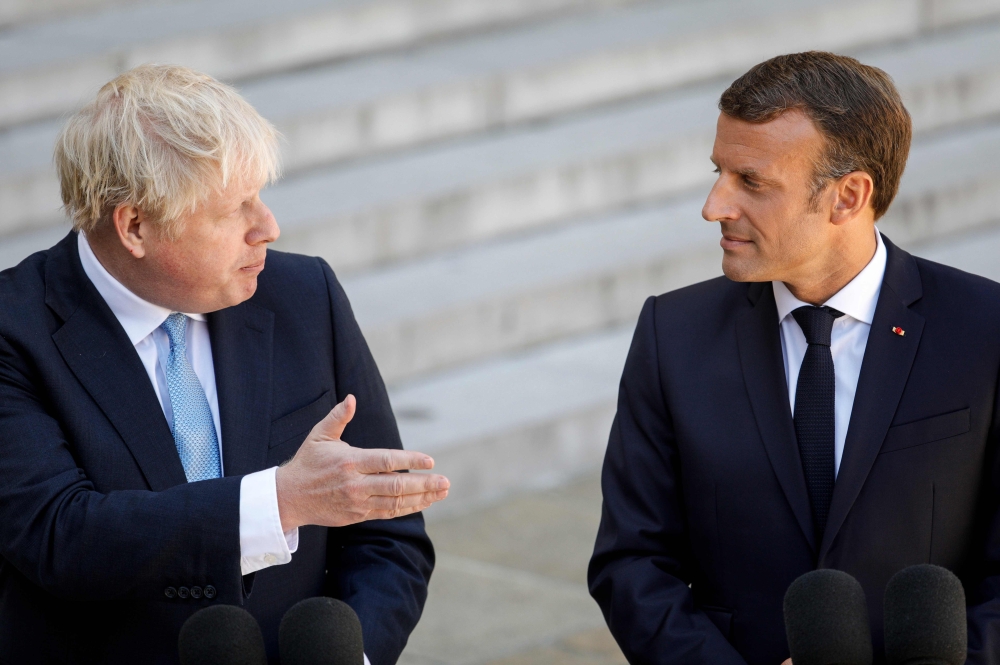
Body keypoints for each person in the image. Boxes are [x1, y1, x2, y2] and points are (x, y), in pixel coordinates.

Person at [0, 64, 449, 664]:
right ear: (135, 226)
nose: (267, 227)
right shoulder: (14, 329)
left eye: (260, 197)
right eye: (234, 209)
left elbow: (386, 536)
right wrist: (281, 500)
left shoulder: (302, 292)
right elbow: (60, 534)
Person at [588, 51, 1000, 664]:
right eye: (720, 173)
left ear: (847, 196)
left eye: (751, 181)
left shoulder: (984, 328)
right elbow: (633, 564)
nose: (714, 206)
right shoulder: (671, 334)